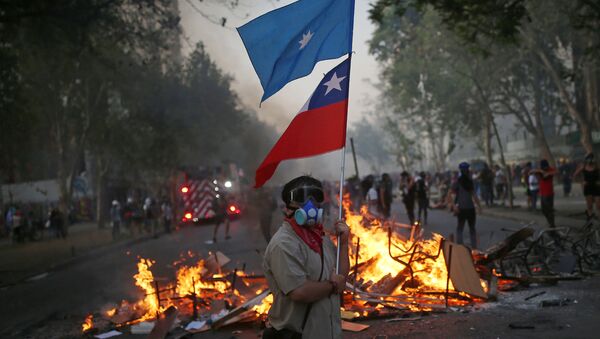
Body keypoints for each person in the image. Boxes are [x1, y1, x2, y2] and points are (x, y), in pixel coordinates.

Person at [262, 176, 349, 339]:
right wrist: (333, 285)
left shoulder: (320, 238)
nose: (310, 204)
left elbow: (341, 277)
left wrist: (344, 245)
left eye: (315, 197)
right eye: (302, 198)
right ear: (287, 208)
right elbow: (300, 292)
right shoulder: (284, 244)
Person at [447, 162, 482, 249]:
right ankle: (474, 249)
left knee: (460, 228)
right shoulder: (469, 182)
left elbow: (449, 194)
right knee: (471, 229)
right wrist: (479, 206)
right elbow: (474, 195)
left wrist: (454, 206)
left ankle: (460, 248)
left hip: (462, 209)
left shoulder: (458, 182)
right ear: (467, 170)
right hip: (470, 209)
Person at [573, 153, 600, 220]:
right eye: (589, 159)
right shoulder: (583, 167)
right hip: (588, 187)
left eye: (591, 159)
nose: (590, 161)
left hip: (596, 187)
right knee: (590, 206)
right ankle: (590, 220)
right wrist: (581, 182)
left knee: (598, 206)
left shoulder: (597, 166)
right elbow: (575, 175)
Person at [531, 159, 557, 228]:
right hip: (542, 193)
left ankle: (552, 224)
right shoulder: (540, 170)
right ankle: (549, 222)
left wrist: (545, 172)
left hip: (549, 192)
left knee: (549, 209)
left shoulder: (550, 170)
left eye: (545, 167)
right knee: (544, 210)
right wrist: (541, 171)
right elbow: (530, 172)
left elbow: (554, 172)